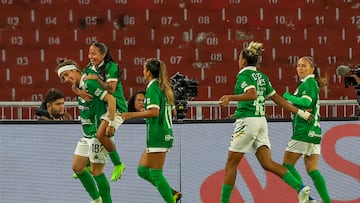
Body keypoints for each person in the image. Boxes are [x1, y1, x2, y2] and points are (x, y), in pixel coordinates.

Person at [218, 41, 313, 203]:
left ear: (243, 61)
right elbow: (278, 100)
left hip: (247, 121)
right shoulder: (263, 77)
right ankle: (301, 188)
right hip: (261, 122)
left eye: (239, 58)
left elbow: (251, 94)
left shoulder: (244, 75)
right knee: (267, 163)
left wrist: (230, 97)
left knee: (231, 164)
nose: (238, 61)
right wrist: (300, 112)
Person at [56, 59, 120, 203]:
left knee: (96, 171)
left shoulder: (90, 83)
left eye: (66, 75)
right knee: (77, 167)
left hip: (97, 134)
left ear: (74, 70)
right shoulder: (79, 86)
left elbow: (111, 99)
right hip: (87, 134)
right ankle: (97, 200)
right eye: (63, 78)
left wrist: (110, 122)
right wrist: (77, 91)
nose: (66, 79)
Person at [121, 58, 182, 203]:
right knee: (142, 171)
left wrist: (132, 114)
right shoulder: (164, 87)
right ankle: (171, 193)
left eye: (144, 69)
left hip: (158, 134)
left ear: (148, 72)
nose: (143, 71)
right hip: (161, 134)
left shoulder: (153, 88)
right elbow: (173, 113)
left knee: (155, 174)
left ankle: (170, 199)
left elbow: (154, 112)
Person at [72, 42, 127, 181]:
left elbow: (111, 90)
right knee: (95, 135)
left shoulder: (111, 67)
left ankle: (118, 164)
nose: (90, 56)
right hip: (105, 106)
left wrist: (96, 78)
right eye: (89, 53)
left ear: (103, 54)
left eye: (94, 54)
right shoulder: (89, 68)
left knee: (101, 134)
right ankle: (87, 161)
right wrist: (80, 93)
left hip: (117, 106)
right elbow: (78, 83)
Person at [282, 56, 331, 203]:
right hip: (315, 133)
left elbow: (306, 101)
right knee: (312, 169)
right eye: (298, 65)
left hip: (303, 131)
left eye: (304, 65)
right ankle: (326, 201)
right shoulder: (310, 83)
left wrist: (288, 96)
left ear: (312, 69)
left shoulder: (309, 82)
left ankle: (305, 194)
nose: (300, 68)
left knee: (287, 165)